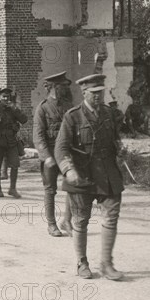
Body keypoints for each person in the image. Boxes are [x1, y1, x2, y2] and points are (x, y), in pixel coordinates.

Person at [54, 74, 124, 281]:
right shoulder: (73, 116)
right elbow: (61, 148)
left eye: (100, 92)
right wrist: (68, 170)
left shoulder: (109, 114)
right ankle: (82, 262)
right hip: (81, 174)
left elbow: (114, 140)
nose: (97, 96)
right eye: (93, 93)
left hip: (107, 174)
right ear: (84, 92)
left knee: (111, 217)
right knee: (81, 221)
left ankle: (107, 263)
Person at [33, 71, 73, 237]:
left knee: (72, 186)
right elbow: (38, 136)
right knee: (50, 190)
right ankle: (51, 224)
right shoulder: (42, 108)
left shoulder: (68, 106)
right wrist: (46, 156)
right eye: (63, 85)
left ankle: (67, 221)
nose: (65, 88)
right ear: (54, 87)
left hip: (65, 153)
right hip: (50, 153)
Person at [0, 88, 28, 198]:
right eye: (4, 96)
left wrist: (15, 109)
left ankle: (12, 188)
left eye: (8, 97)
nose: (6, 98)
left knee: (15, 164)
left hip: (11, 140)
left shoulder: (13, 110)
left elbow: (24, 120)